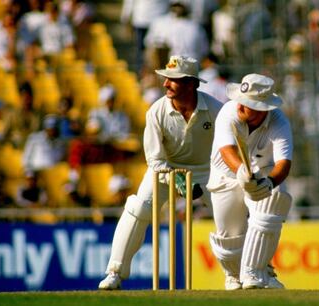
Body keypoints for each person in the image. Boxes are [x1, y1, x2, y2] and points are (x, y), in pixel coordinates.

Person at [98, 55, 223, 290]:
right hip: (166, 169)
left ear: (191, 84)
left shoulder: (216, 110)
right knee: (138, 207)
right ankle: (115, 272)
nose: (165, 84)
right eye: (165, 78)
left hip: (207, 170)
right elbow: (155, 160)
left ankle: (241, 275)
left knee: (231, 214)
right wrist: (176, 180)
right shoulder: (156, 111)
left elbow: (228, 146)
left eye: (172, 80)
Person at [207, 73, 293, 290]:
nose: (241, 105)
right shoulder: (228, 111)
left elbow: (284, 162)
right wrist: (243, 172)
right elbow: (227, 151)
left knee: (277, 199)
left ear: (263, 108)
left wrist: (269, 183)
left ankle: (257, 272)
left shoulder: (279, 121)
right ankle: (234, 275)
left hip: (263, 172)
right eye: (241, 100)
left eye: (248, 103)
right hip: (226, 175)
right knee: (229, 239)